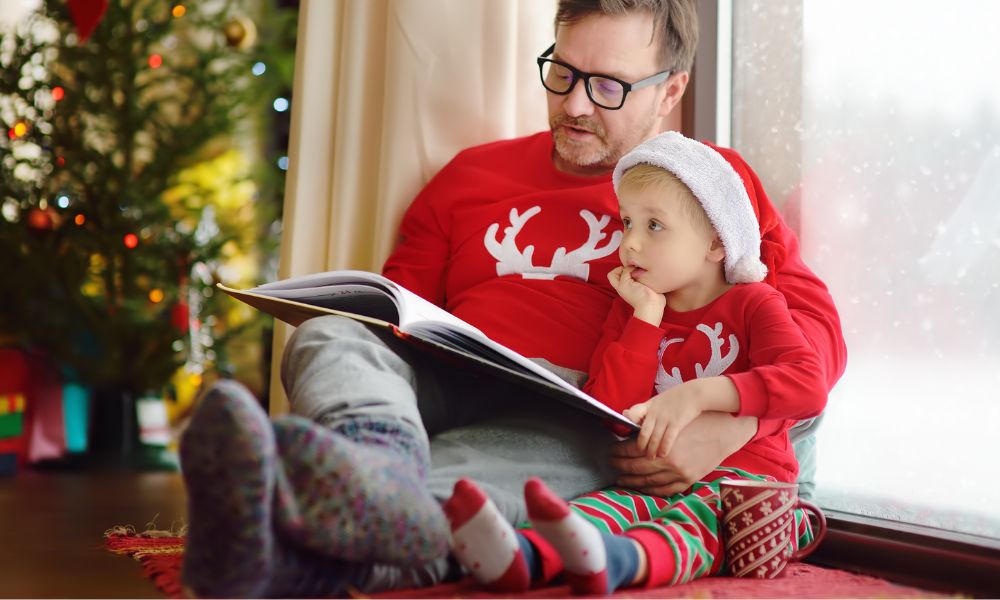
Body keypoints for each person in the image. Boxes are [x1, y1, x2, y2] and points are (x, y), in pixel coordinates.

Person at [179, 1, 846, 597]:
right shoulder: (471, 176)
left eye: (608, 86)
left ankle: (277, 552)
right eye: (564, 72)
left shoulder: (708, 190)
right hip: (450, 371)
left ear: (671, 91)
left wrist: (734, 425)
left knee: (469, 490)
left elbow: (814, 333)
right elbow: (394, 307)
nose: (576, 104)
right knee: (331, 335)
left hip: (576, 410)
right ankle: (376, 465)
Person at [443, 131, 827, 595]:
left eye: (654, 226)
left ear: (716, 244)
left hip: (745, 490)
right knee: (604, 507)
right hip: (654, 479)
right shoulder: (634, 307)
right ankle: (527, 556)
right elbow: (609, 406)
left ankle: (618, 563)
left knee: (693, 523)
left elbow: (807, 384)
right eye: (627, 222)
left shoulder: (755, 304)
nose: (630, 244)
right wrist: (645, 320)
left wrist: (700, 395)